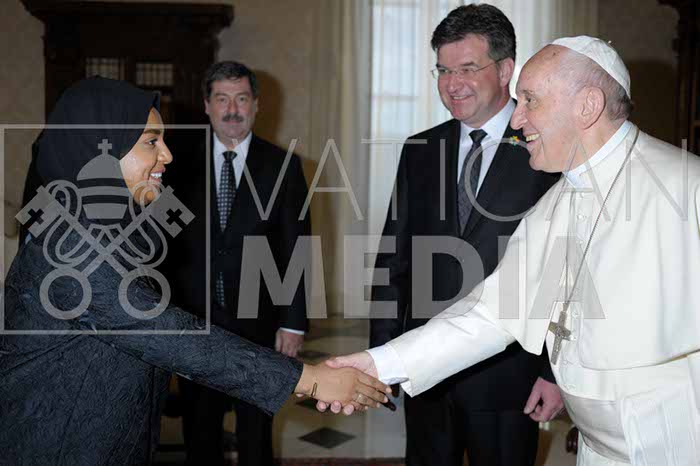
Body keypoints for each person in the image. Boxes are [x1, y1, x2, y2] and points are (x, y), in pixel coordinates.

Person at [324, 36, 700, 465]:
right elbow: (490, 314)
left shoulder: (686, 188)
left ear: (587, 106)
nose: (517, 119)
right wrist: (378, 363)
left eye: (531, 100)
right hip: (598, 449)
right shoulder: (558, 202)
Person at [0, 77, 390, 466]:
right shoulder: (70, 246)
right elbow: (167, 334)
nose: (167, 155)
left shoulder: (109, 226)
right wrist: (311, 380)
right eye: (151, 142)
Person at [368, 5, 560, 465]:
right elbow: (394, 257)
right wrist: (384, 353)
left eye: (468, 68)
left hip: (509, 376)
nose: (452, 84)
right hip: (427, 369)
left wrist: (554, 373)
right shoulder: (420, 149)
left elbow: (567, 270)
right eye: (443, 70)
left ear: (506, 69)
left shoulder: (548, 148)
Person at [163, 61, 310, 466]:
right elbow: (162, 243)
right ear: (206, 105)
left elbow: (297, 248)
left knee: (256, 432)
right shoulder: (176, 163)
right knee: (200, 430)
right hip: (193, 321)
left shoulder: (283, 166)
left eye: (241, 99)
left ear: (256, 105)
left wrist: (293, 322)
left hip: (259, 323)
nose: (232, 110)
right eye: (222, 99)